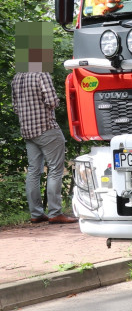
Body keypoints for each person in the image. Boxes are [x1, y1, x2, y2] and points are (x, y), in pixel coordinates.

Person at [11, 22, 76, 224]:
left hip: (28, 132)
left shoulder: (17, 78)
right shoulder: (41, 74)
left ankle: (36, 214)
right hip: (47, 129)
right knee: (55, 170)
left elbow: (15, 107)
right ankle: (55, 212)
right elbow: (52, 101)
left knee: (33, 171)